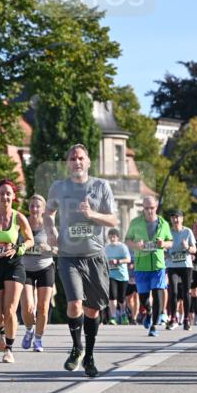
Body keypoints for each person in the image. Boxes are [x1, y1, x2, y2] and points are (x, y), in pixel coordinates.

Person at [44, 144, 117, 377]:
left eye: (81, 158)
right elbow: (48, 213)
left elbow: (113, 220)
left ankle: (90, 356)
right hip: (69, 255)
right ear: (68, 163)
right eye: (73, 158)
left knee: (93, 309)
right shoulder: (59, 188)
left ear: (88, 162)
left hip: (95, 256)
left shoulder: (101, 186)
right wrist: (51, 232)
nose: (77, 162)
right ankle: (77, 348)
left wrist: (92, 215)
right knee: (75, 303)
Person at [0, 179, 32, 363]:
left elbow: (30, 240)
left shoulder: (19, 217)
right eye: (2, 193)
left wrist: (18, 248)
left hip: (13, 263)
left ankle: (9, 349)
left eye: (8, 193)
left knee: (10, 309)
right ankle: (2, 330)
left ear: (13, 196)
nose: (5, 196)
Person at [125, 196, 172, 339]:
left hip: (158, 265)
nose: (149, 211)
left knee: (157, 295)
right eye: (146, 208)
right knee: (144, 298)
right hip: (141, 266)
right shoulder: (135, 223)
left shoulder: (163, 223)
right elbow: (127, 240)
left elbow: (170, 241)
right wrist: (135, 246)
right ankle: (149, 313)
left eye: (152, 208)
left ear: (156, 206)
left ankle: (154, 326)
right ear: (143, 208)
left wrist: (163, 244)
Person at [20, 193, 56, 349]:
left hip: (45, 267)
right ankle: (29, 330)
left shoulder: (49, 226)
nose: (34, 209)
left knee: (43, 307)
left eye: (38, 206)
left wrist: (49, 248)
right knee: (28, 306)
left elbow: (58, 249)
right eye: (32, 206)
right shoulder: (22, 224)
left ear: (43, 209)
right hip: (25, 269)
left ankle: (38, 339)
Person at [164, 210, 196, 330]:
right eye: (173, 218)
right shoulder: (168, 232)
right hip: (172, 265)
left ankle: (186, 319)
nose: (175, 220)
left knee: (186, 292)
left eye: (177, 217)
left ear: (182, 219)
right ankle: (173, 318)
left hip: (186, 266)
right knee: (173, 291)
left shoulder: (188, 231)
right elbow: (163, 247)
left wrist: (187, 247)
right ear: (170, 220)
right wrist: (164, 251)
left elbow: (194, 250)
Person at [104, 228, 131, 325]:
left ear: (118, 237)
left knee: (121, 298)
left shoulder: (122, 247)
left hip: (122, 276)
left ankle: (124, 314)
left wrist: (118, 261)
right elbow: (102, 260)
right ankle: (113, 316)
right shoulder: (106, 247)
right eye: (110, 236)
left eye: (114, 236)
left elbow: (128, 259)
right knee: (112, 296)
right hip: (111, 275)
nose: (112, 238)